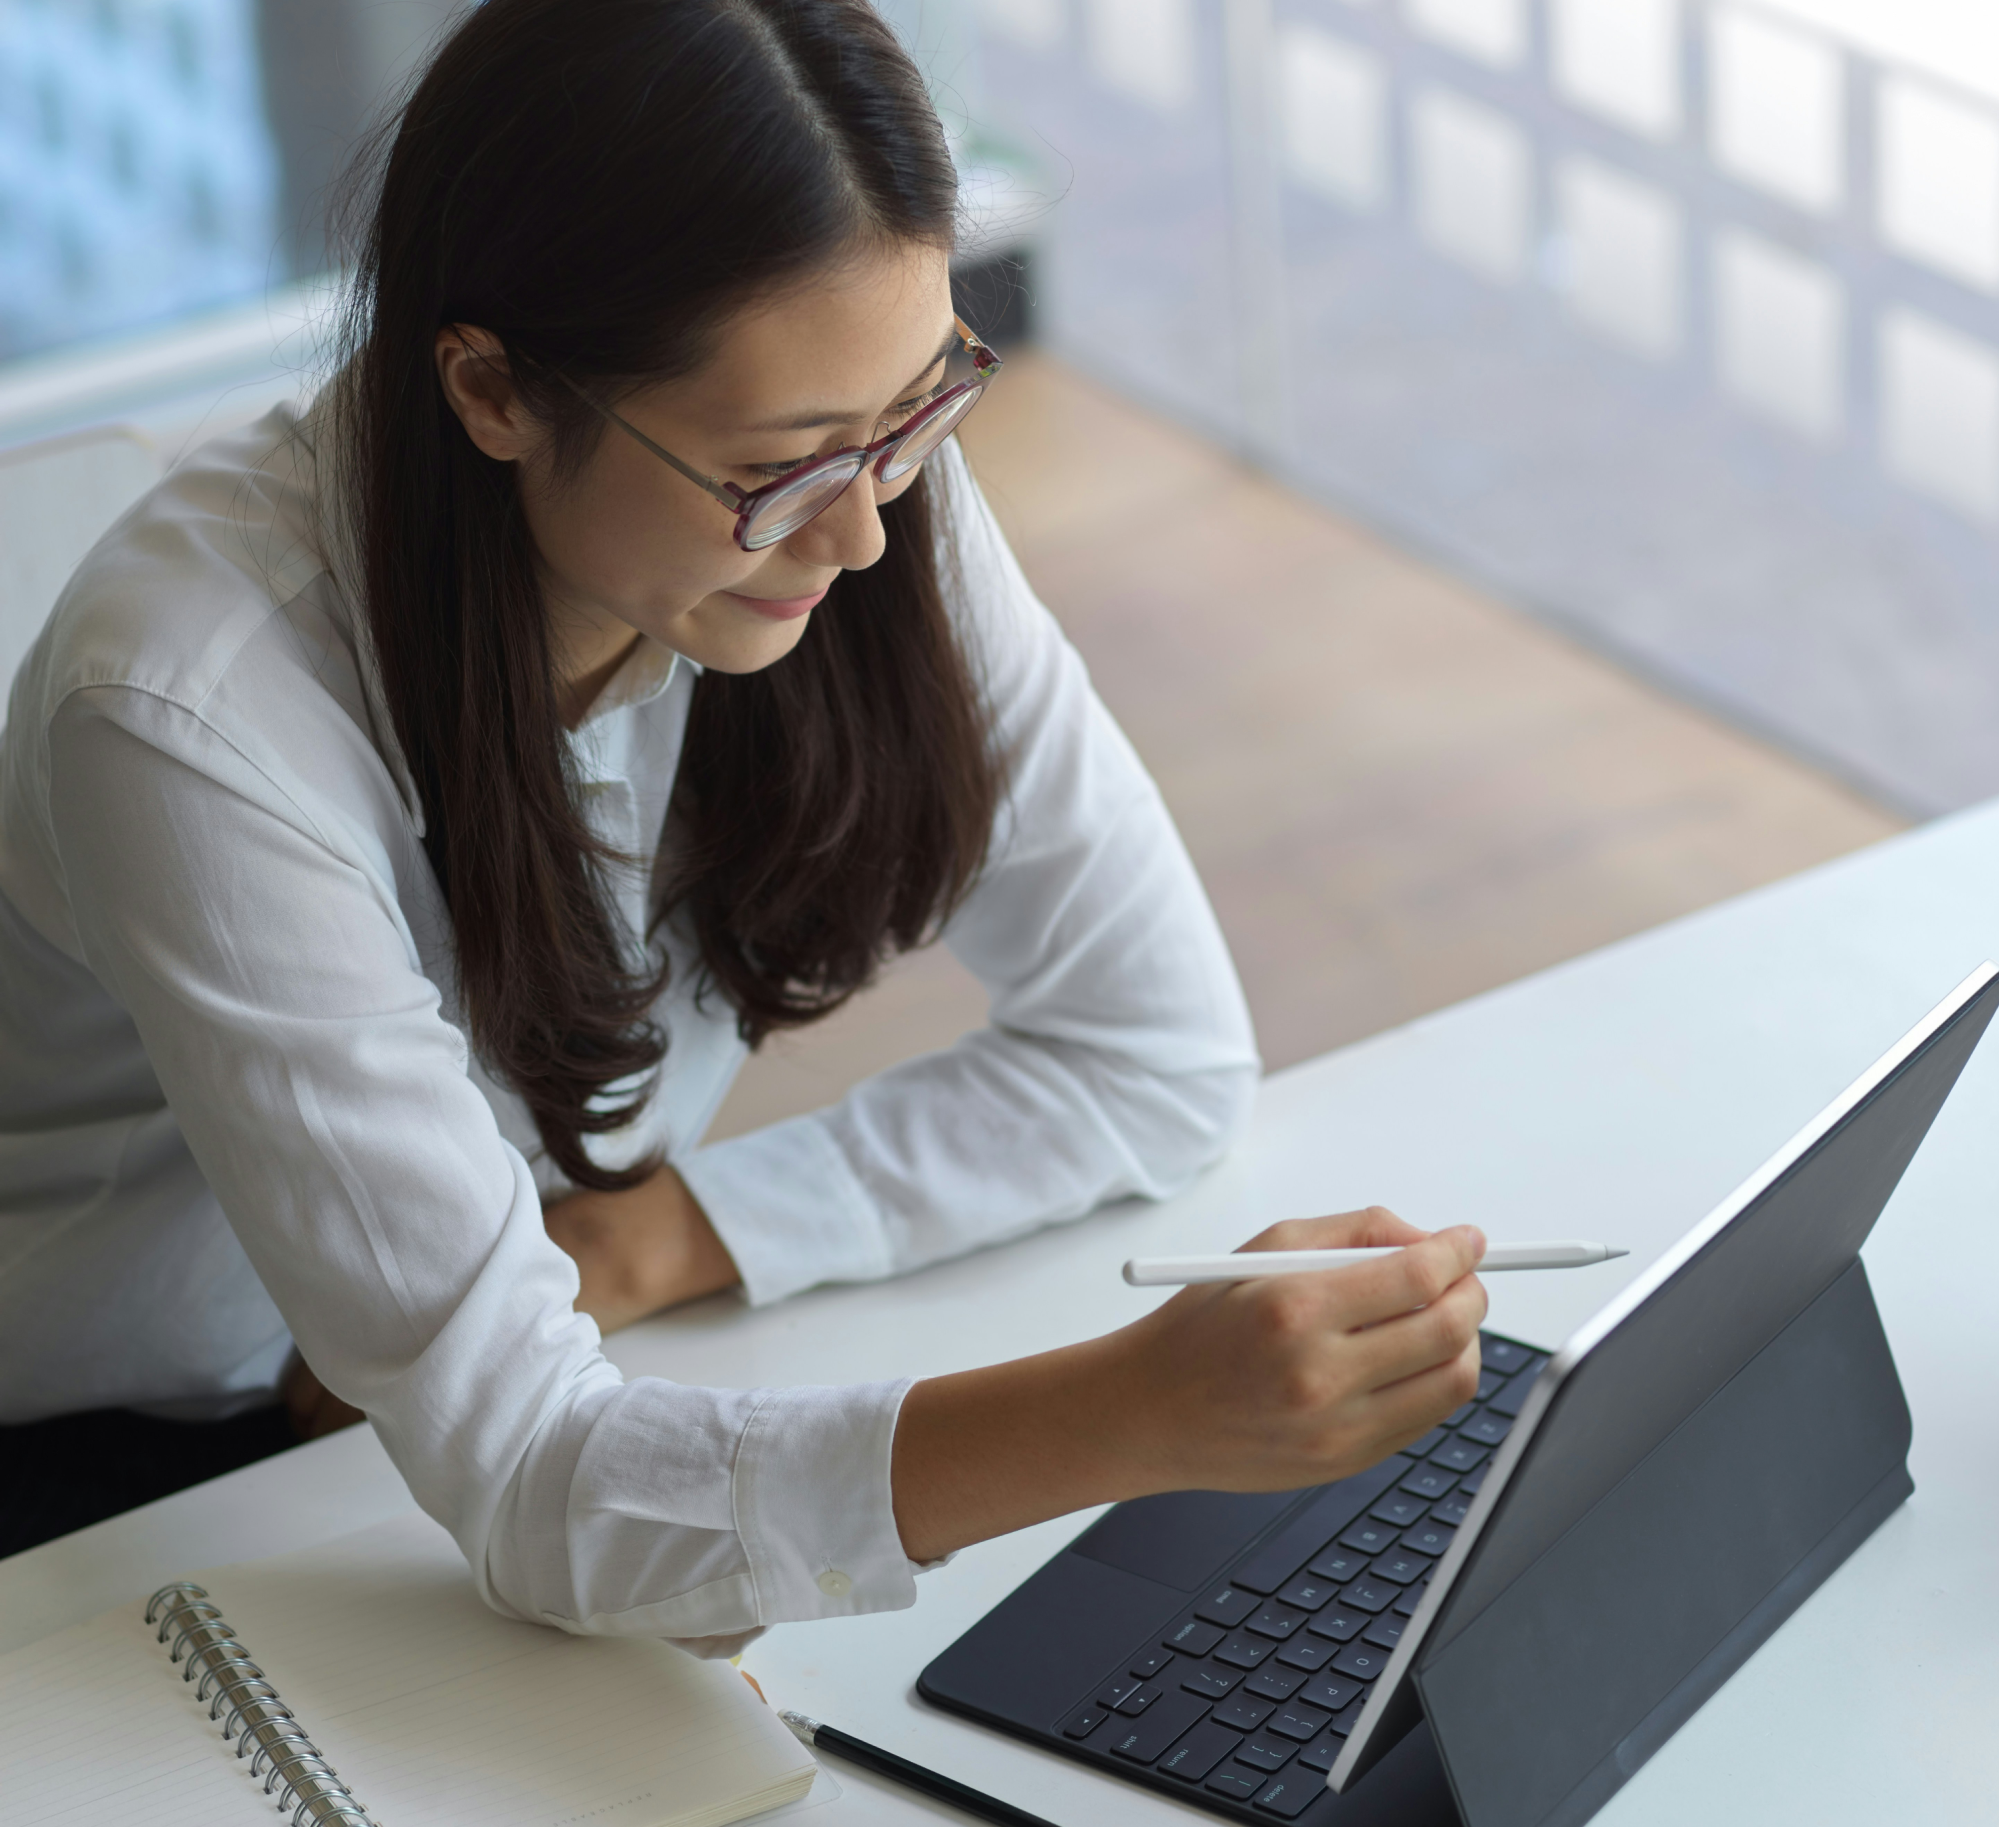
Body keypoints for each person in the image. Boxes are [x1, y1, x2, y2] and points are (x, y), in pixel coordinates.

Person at [0, 0, 1486, 1639]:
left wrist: (660, 1235)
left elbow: (1155, 1050)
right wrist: (1135, 1414)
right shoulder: (194, 709)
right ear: (492, 389)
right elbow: (544, 1484)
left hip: (499, 1313)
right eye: (778, 470)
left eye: (918, 409)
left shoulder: (843, 466)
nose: (858, 536)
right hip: (122, 1431)